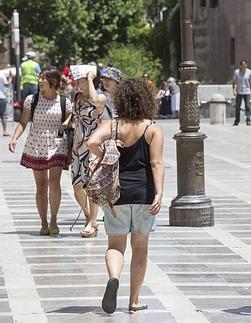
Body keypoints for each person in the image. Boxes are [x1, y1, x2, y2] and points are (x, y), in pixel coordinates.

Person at [86, 78, 164, 314]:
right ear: (145, 100)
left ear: (120, 100)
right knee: (140, 249)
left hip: (115, 194)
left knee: (115, 245)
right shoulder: (152, 128)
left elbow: (91, 142)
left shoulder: (113, 125)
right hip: (144, 194)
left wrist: (107, 154)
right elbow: (157, 163)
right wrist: (159, 192)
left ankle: (113, 277)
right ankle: (134, 300)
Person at [8, 67, 73, 236]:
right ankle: (43, 222)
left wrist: (66, 122)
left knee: (54, 184)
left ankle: (53, 219)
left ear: (52, 82)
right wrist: (14, 138)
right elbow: (23, 122)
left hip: (57, 144)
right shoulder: (32, 100)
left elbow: (70, 118)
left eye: (42, 78)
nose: (39, 82)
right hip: (36, 144)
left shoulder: (64, 101)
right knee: (41, 186)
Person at [70, 65, 107, 238]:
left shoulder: (100, 97)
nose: (77, 82)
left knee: (92, 185)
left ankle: (93, 222)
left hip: (92, 144)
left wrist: (91, 79)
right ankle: (88, 215)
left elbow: (95, 101)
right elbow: (74, 114)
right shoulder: (76, 96)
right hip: (77, 147)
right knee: (77, 186)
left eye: (81, 79)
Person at [232, 60, 251, 126]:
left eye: (245, 65)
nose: (244, 66)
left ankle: (248, 120)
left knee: (247, 106)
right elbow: (233, 81)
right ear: (240, 65)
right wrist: (234, 90)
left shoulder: (249, 72)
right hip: (239, 91)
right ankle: (237, 121)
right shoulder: (236, 72)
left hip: (247, 92)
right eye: (242, 65)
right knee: (237, 107)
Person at [0, 71, 11, 136]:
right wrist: (10, 78)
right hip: (1, 97)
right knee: (3, 114)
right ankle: (5, 131)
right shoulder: (1, 74)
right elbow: (7, 84)